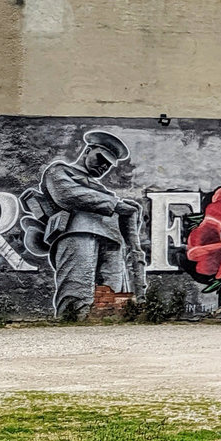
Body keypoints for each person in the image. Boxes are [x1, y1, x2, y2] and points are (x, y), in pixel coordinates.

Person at [19, 131, 144, 320]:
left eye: (108, 165)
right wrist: (116, 205)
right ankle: (72, 329)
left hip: (112, 241)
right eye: (100, 158)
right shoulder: (60, 170)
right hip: (78, 233)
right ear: (87, 150)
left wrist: (131, 216)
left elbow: (127, 228)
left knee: (112, 293)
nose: (104, 166)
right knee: (76, 289)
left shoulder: (105, 192)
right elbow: (67, 195)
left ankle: (106, 331)